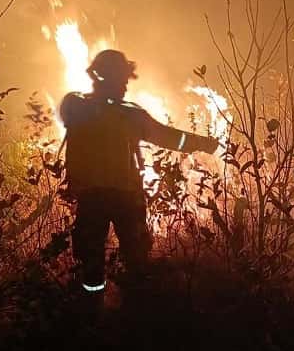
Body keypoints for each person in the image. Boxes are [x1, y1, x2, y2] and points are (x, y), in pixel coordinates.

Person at [60, 49, 218, 300]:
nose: (125, 85)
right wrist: (203, 143)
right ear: (108, 79)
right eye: (121, 79)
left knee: (92, 261)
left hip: (92, 197)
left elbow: (69, 118)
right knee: (134, 259)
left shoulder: (78, 107)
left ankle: (92, 310)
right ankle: (132, 309)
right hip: (125, 198)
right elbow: (168, 137)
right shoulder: (127, 114)